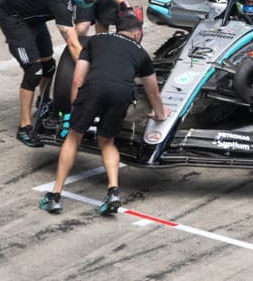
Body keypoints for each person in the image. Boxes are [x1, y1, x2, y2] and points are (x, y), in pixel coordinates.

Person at [40, 11, 169, 216]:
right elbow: (153, 91)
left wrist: (76, 106)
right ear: (137, 34)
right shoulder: (141, 53)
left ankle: (55, 196)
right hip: (122, 92)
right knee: (107, 142)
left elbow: (77, 79)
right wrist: (161, 114)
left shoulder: (96, 40)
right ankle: (113, 192)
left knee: (73, 138)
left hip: (94, 87)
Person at [0, 0, 128, 147]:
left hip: (33, 17)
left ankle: (44, 102)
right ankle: (24, 126)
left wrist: (125, 6)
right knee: (34, 71)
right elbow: (74, 45)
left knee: (49, 66)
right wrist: (95, 72)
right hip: (13, 19)